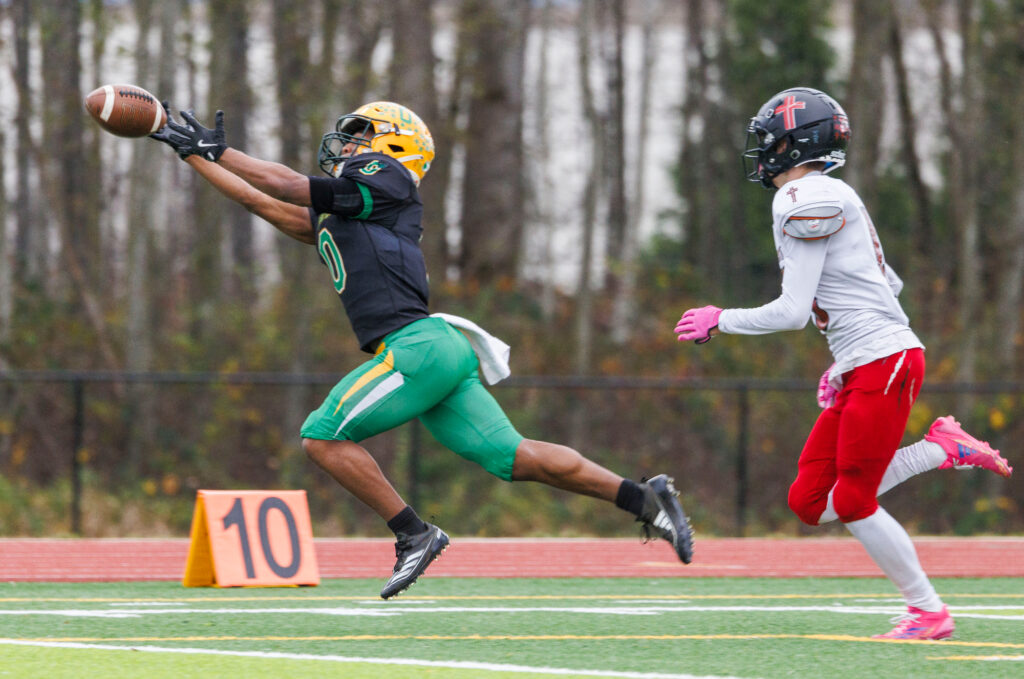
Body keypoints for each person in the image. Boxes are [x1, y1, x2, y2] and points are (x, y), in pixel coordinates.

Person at [150, 101, 694, 598]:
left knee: (321, 437)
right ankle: (644, 499)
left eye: (362, 136)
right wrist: (191, 153)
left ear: (394, 145)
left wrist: (219, 148)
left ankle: (414, 533)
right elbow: (266, 202)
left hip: (414, 348)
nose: (352, 146)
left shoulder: (387, 178)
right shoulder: (356, 207)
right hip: (437, 349)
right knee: (517, 458)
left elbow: (291, 185)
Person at [674, 87, 1012, 640]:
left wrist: (721, 318)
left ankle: (929, 611)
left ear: (794, 143)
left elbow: (790, 311)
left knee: (854, 499)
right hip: (870, 359)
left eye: (770, 141)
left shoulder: (804, 197)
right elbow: (886, 285)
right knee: (809, 500)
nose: (763, 153)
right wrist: (842, 362)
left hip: (885, 360)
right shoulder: (826, 193)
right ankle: (941, 448)